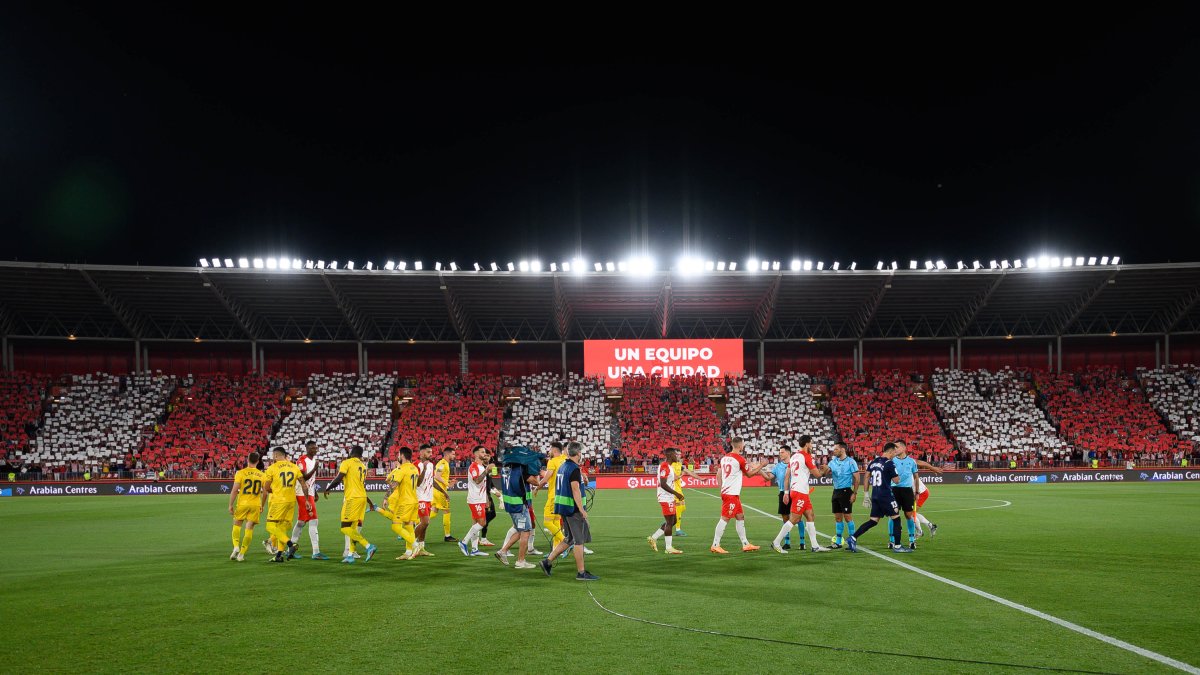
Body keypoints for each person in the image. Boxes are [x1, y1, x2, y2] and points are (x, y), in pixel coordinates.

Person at [540, 442, 598, 581]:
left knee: (569, 539)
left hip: (564, 508)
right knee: (579, 540)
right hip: (573, 509)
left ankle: (547, 561)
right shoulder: (573, 469)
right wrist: (581, 510)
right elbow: (575, 490)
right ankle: (581, 572)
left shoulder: (563, 466)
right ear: (578, 453)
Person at [771, 435, 831, 554]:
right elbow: (818, 475)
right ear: (807, 444)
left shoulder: (794, 457)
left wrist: (787, 492)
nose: (812, 445)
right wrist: (825, 470)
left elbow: (787, 476)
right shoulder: (806, 457)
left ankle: (815, 546)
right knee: (795, 518)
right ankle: (776, 542)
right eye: (811, 443)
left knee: (810, 515)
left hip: (796, 490)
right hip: (800, 491)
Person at [847, 443, 907, 553]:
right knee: (896, 519)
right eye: (894, 452)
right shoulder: (890, 463)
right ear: (890, 451)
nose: (895, 454)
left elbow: (866, 476)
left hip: (875, 495)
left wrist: (866, 494)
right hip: (886, 495)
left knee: (873, 521)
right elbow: (897, 480)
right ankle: (898, 546)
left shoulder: (873, 462)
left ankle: (853, 537)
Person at [323, 445, 377, 564]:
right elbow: (361, 486)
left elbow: (339, 478)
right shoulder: (363, 466)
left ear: (351, 452)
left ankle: (368, 546)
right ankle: (350, 555)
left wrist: (328, 488)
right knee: (353, 528)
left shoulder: (347, 462)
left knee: (345, 527)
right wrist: (370, 502)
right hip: (362, 498)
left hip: (352, 499)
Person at [710, 437, 765, 554]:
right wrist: (762, 465)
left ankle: (745, 544)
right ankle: (715, 544)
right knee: (725, 518)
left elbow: (718, 475)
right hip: (731, 494)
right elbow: (749, 474)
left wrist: (721, 489)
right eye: (743, 444)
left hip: (728, 493)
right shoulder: (739, 459)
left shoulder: (725, 458)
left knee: (740, 517)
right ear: (740, 446)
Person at [890, 441, 944, 549]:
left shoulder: (910, 462)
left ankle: (919, 532)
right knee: (909, 513)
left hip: (920, 492)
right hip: (911, 491)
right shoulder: (895, 462)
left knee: (911, 514)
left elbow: (921, 463)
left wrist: (933, 468)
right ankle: (930, 525)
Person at [496, 449, 542, 569]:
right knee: (526, 531)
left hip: (510, 504)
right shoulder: (520, 470)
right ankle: (520, 561)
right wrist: (535, 471)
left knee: (520, 530)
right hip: (519, 505)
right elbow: (536, 482)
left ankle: (503, 551)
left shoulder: (506, 469)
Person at [262, 446, 309, 563]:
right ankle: (278, 555)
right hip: (291, 501)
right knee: (282, 528)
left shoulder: (272, 468)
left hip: (278, 501)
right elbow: (303, 484)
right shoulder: (294, 467)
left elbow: (266, 488)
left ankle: (290, 544)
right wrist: (307, 500)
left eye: (273, 455)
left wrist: (275, 490)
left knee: (270, 526)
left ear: (276, 455)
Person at [377, 447, 420, 560]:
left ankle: (415, 545)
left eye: (398, 454)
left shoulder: (402, 469)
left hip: (405, 502)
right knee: (409, 526)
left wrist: (386, 494)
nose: (397, 456)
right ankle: (408, 551)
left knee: (396, 526)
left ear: (401, 455)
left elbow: (394, 485)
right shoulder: (414, 468)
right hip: (414, 501)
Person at [289, 440, 327, 560]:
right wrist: (315, 468)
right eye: (312, 448)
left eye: (315, 448)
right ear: (307, 449)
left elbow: (311, 480)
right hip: (302, 493)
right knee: (313, 520)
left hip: (308, 493)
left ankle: (290, 550)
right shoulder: (302, 460)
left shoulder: (313, 460)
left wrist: (314, 492)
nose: (314, 450)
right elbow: (304, 477)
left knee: (301, 522)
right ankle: (316, 552)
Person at [227, 451, 265, 562]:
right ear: (258, 461)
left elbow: (234, 490)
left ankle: (236, 547)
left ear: (247, 460)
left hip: (242, 504)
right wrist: (262, 505)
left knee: (237, 525)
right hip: (255, 504)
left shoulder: (240, 473)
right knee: (249, 528)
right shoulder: (262, 475)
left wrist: (230, 505)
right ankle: (242, 554)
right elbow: (266, 492)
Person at [647, 447, 685, 554]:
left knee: (674, 521)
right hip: (665, 497)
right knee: (669, 522)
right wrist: (676, 493)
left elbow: (668, 481)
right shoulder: (664, 466)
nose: (677, 456)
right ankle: (668, 548)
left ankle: (653, 538)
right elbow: (663, 484)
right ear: (670, 455)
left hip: (669, 497)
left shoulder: (669, 466)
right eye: (675, 454)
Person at [761, 446, 799, 550]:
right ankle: (787, 542)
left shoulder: (795, 464)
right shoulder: (778, 466)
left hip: (796, 492)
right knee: (785, 518)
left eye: (782, 452)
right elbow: (768, 478)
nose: (780, 454)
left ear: (788, 453)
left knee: (798, 517)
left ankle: (802, 542)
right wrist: (759, 469)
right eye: (780, 452)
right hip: (783, 493)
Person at [457, 446, 493, 556]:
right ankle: (463, 542)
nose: (484, 453)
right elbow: (477, 480)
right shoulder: (473, 467)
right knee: (482, 523)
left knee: (476, 524)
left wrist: (486, 499)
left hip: (480, 499)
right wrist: (487, 470)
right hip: (475, 499)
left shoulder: (482, 466)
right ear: (476, 454)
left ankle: (474, 549)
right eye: (482, 452)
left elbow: (484, 485)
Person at [414, 444, 447, 556]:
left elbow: (432, 481)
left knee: (425, 525)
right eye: (428, 452)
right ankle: (410, 544)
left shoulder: (431, 465)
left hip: (428, 498)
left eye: (431, 452)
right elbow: (417, 483)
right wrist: (423, 468)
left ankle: (421, 548)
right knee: (425, 522)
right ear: (421, 453)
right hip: (420, 498)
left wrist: (443, 492)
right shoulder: (416, 465)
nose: (431, 454)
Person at [826, 441, 859, 549]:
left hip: (846, 492)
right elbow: (826, 472)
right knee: (838, 518)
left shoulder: (851, 462)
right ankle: (838, 542)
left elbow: (857, 478)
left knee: (848, 517)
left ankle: (852, 540)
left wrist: (854, 493)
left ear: (842, 450)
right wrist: (824, 469)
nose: (833, 451)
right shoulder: (832, 462)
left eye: (836, 449)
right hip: (836, 492)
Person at [541, 442, 567, 550]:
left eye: (551, 449)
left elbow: (547, 477)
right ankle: (556, 550)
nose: (549, 451)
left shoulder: (552, 461)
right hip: (562, 495)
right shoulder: (565, 459)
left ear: (554, 450)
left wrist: (537, 487)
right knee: (556, 523)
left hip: (553, 496)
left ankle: (566, 542)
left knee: (547, 522)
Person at [670, 452, 703, 537]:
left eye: (679, 454)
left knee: (682, 508)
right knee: (678, 508)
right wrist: (682, 475)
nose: (678, 456)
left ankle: (668, 523)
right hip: (674, 491)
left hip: (679, 490)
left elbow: (689, 472)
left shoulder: (678, 464)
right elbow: (674, 478)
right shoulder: (670, 465)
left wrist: (701, 479)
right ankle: (677, 530)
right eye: (677, 454)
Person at [434, 447, 456, 542]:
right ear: (447, 454)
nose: (454, 456)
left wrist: (448, 481)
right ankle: (447, 536)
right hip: (440, 492)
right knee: (446, 511)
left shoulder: (444, 463)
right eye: (453, 454)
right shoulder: (443, 463)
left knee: (433, 512)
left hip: (437, 491)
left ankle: (416, 523)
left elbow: (440, 476)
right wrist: (447, 484)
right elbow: (437, 476)